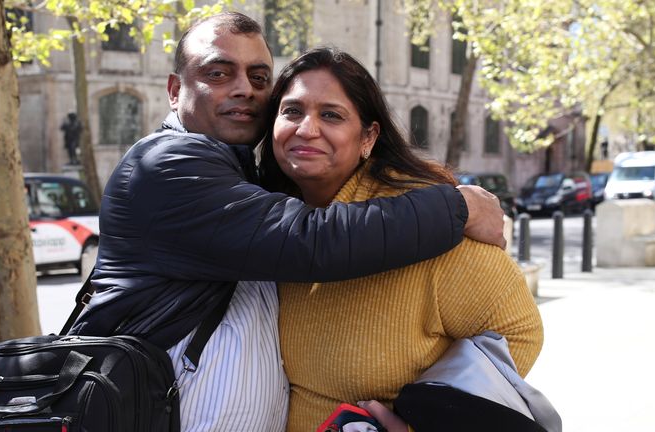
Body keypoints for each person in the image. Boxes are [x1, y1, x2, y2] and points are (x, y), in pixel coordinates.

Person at [68, 12, 506, 431]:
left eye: (259, 78)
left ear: (368, 136)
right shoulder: (166, 166)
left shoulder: (248, 180)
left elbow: (509, 336)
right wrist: (459, 206)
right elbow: (310, 240)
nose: (246, 89)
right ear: (174, 89)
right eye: (219, 73)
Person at [257, 47, 544, 431]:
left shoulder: (427, 229)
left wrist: (427, 423)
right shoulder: (271, 219)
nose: (306, 129)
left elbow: (519, 330)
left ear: (368, 137)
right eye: (292, 111)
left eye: (331, 115)